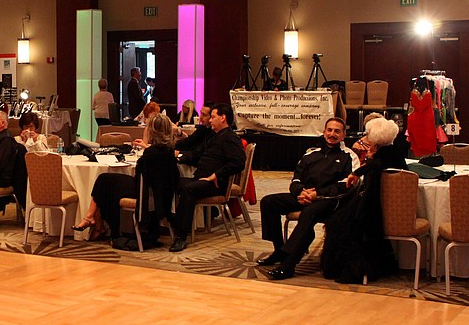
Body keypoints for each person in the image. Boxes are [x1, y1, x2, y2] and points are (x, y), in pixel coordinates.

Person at [258, 117, 359, 280]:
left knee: (309, 213)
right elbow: (296, 179)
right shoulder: (311, 152)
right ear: (324, 132)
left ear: (343, 135)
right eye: (329, 130)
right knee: (269, 202)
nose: (332, 134)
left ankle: (289, 264)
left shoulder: (349, 156)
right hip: (305, 195)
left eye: (337, 131)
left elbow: (346, 185)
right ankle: (279, 250)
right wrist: (301, 192)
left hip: (330, 201)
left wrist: (316, 194)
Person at [321, 118, 407, 284]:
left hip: (372, 206)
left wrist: (357, 172)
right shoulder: (391, 151)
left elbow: (376, 165)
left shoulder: (384, 154)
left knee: (341, 223)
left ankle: (346, 269)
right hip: (376, 203)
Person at [74, 114, 180, 244]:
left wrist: (146, 141)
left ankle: (93, 219)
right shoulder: (169, 152)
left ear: (152, 131)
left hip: (144, 193)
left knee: (104, 179)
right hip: (159, 194)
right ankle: (94, 220)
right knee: (106, 179)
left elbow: (140, 177)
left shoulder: (148, 157)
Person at [170, 103, 245, 252]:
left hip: (217, 184)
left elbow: (238, 162)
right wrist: (177, 158)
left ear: (223, 118)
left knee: (189, 190)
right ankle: (169, 223)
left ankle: (181, 236)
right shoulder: (214, 136)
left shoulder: (230, 137)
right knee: (171, 182)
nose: (210, 120)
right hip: (202, 179)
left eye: (213, 117)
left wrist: (216, 175)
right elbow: (197, 154)